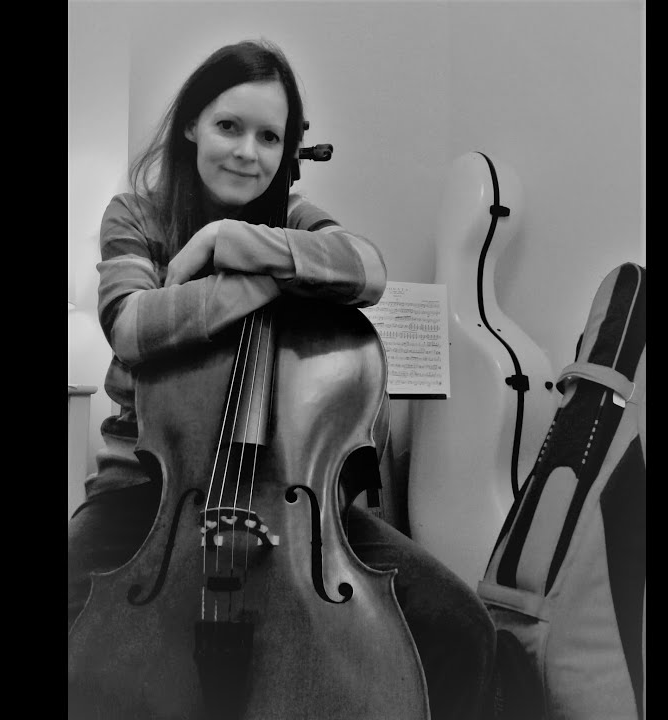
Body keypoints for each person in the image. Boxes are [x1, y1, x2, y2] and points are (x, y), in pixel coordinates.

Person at [67, 39, 495, 720]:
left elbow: (367, 269)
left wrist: (229, 242)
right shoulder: (138, 216)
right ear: (191, 125)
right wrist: (268, 279)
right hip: (149, 494)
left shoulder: (294, 218)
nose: (249, 153)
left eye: (270, 137)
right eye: (228, 126)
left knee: (462, 628)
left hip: (294, 495)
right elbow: (133, 325)